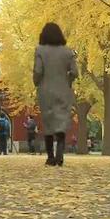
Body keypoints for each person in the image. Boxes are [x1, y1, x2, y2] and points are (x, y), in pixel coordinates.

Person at [33, 22, 78, 166]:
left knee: (48, 122)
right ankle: (60, 155)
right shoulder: (67, 51)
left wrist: (36, 81)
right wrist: (68, 80)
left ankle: (50, 157)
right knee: (61, 122)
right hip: (63, 90)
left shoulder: (40, 50)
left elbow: (38, 71)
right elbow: (75, 72)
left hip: (45, 90)